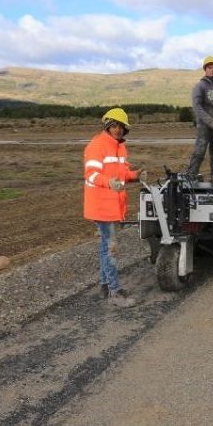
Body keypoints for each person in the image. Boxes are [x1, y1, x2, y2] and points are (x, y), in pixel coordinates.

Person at [83, 107, 143, 307]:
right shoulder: (96, 145)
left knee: (104, 248)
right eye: (114, 126)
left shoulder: (120, 147)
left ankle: (105, 285)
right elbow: (91, 174)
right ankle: (115, 292)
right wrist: (108, 182)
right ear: (108, 125)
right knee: (111, 249)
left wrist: (136, 175)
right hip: (101, 205)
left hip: (112, 205)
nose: (118, 130)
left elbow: (123, 172)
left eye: (121, 127)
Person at [186, 55, 213, 183]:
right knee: (199, 152)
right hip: (204, 127)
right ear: (205, 69)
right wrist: (211, 122)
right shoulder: (200, 86)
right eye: (210, 67)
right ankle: (191, 176)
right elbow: (197, 108)